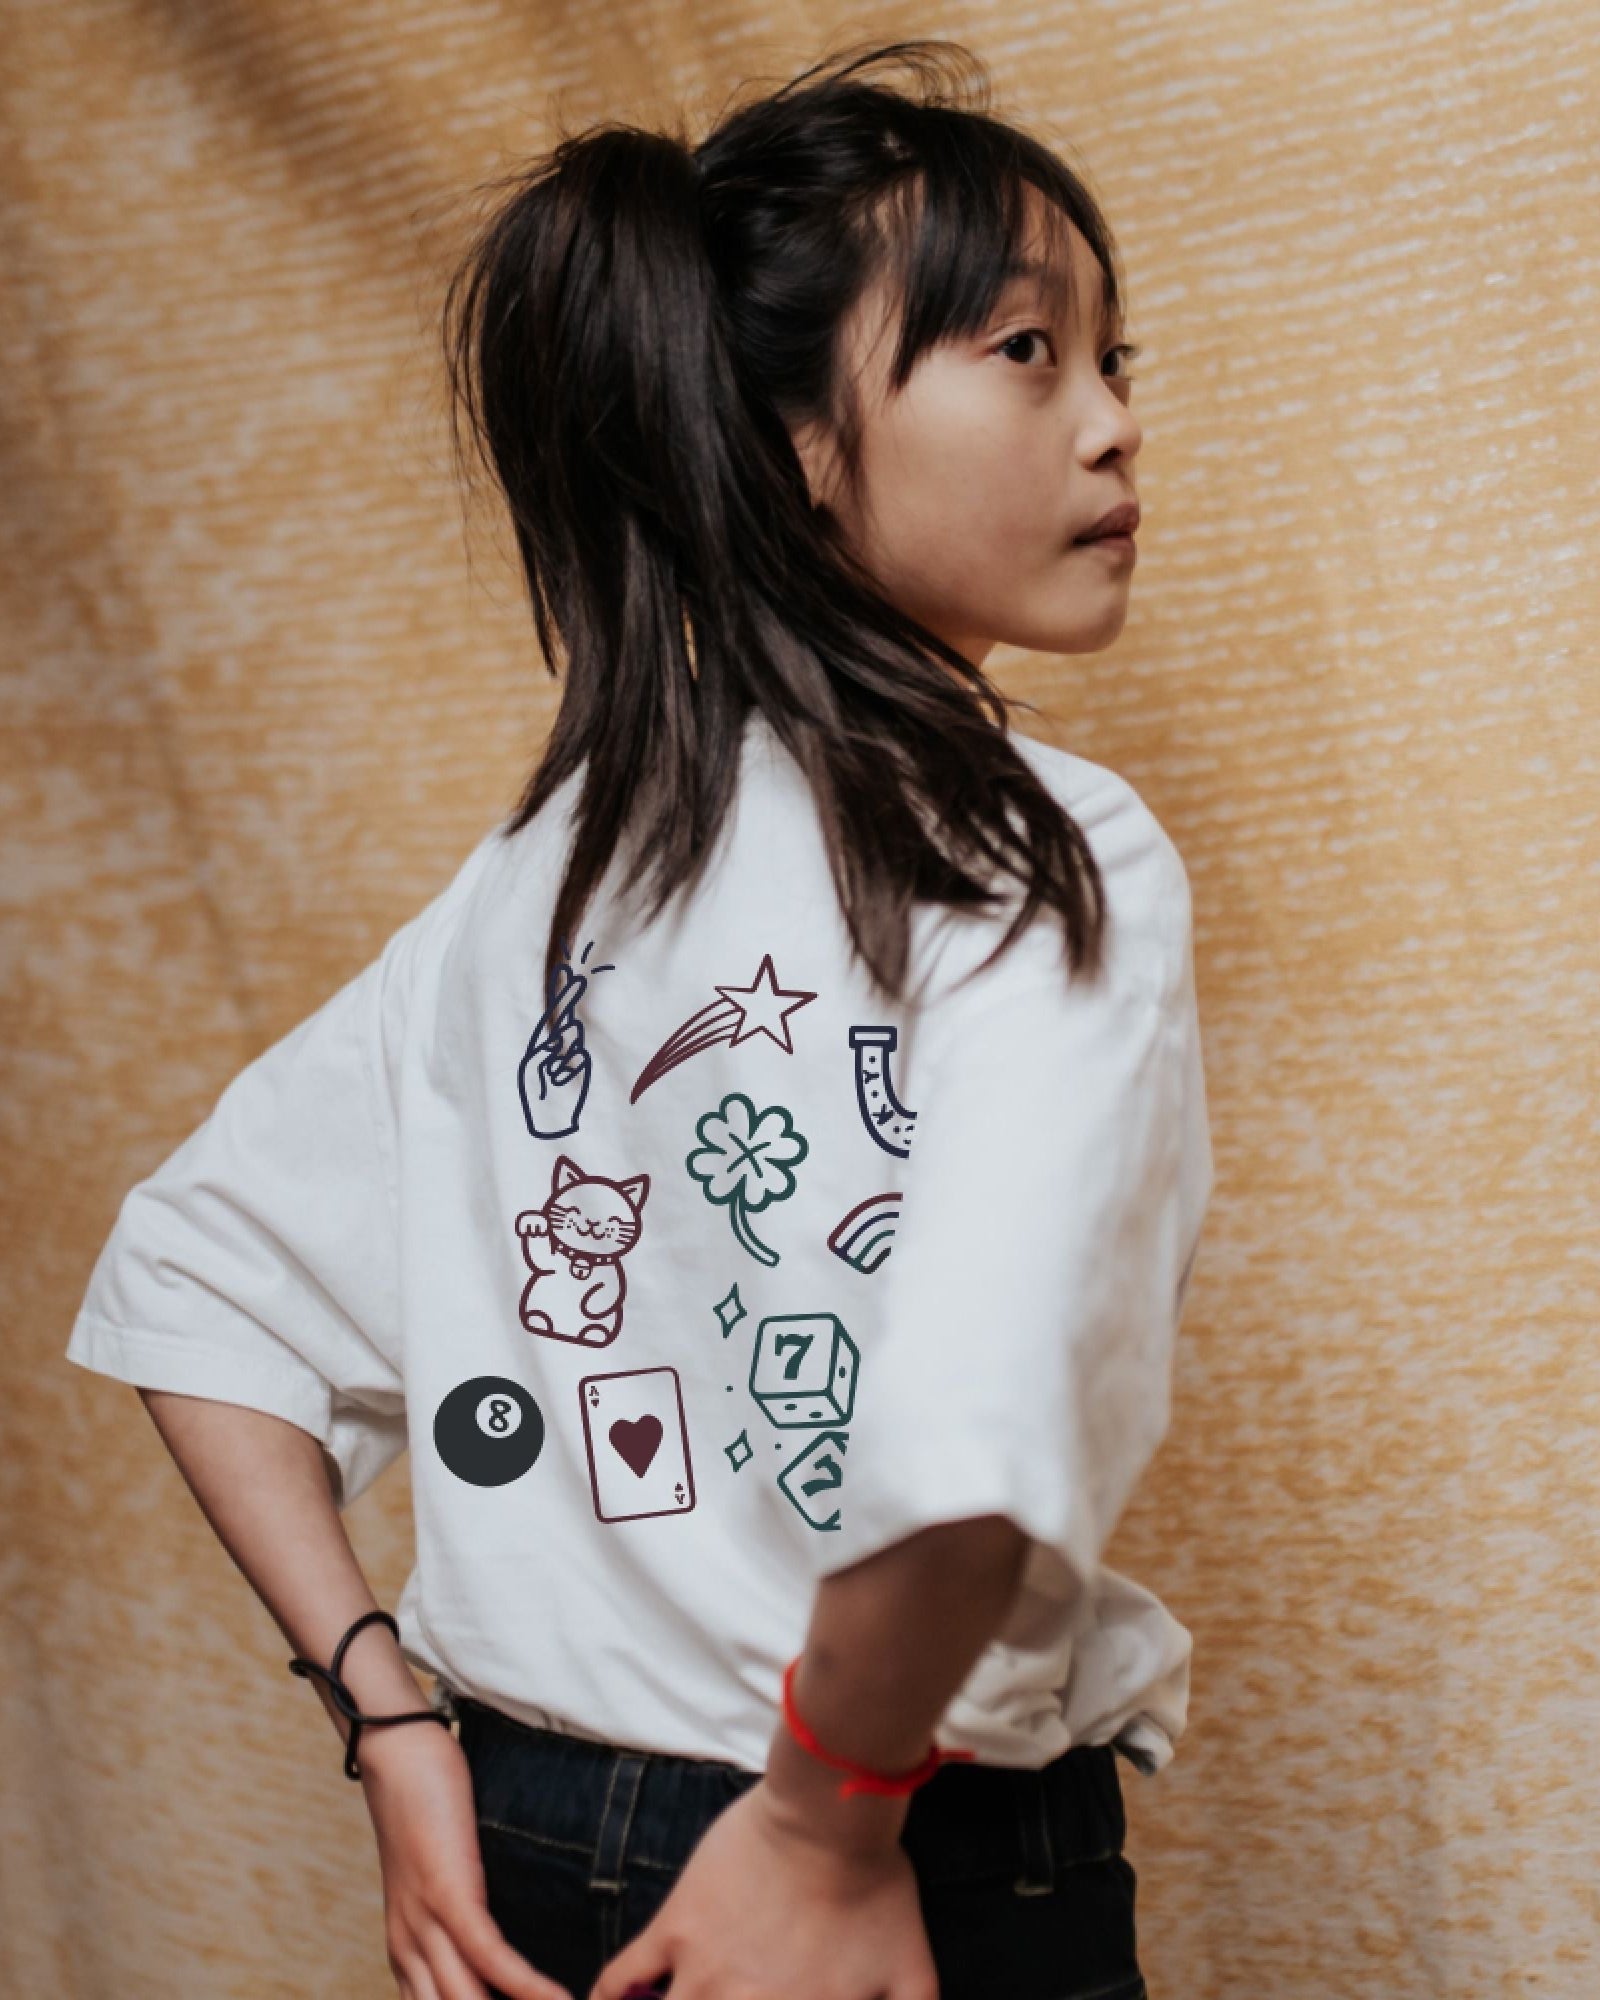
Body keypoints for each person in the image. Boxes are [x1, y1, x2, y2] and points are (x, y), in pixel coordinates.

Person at [64, 36, 1213, 2000]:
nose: (1111, 424)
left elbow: (200, 1283)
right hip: (880, 1838)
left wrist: (393, 1721)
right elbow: (975, 1433)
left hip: (537, 1834)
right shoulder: (1040, 847)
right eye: (1027, 350)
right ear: (788, 441)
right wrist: (825, 1819)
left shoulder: (552, 873)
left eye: (1118, 359)